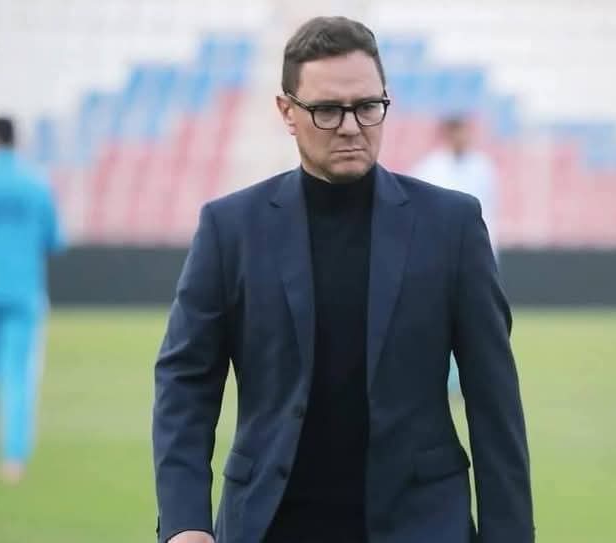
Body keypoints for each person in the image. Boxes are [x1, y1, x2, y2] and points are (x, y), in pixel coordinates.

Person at [153, 16, 533, 543]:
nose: (352, 126)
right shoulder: (230, 228)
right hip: (271, 526)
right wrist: (185, 522)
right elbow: (186, 381)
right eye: (328, 110)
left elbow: (494, 398)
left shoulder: (453, 226)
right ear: (286, 111)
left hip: (423, 527)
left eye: (367, 106)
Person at [0, 117, 65, 483]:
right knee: (17, 375)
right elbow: (54, 239)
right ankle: (14, 461)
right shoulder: (36, 182)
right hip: (23, 290)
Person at [411, 115, 499, 257]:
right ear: (447, 134)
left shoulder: (482, 166)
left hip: (475, 243)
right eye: (456, 132)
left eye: (463, 132)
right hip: (440, 244)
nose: (461, 137)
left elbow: (489, 209)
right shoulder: (429, 167)